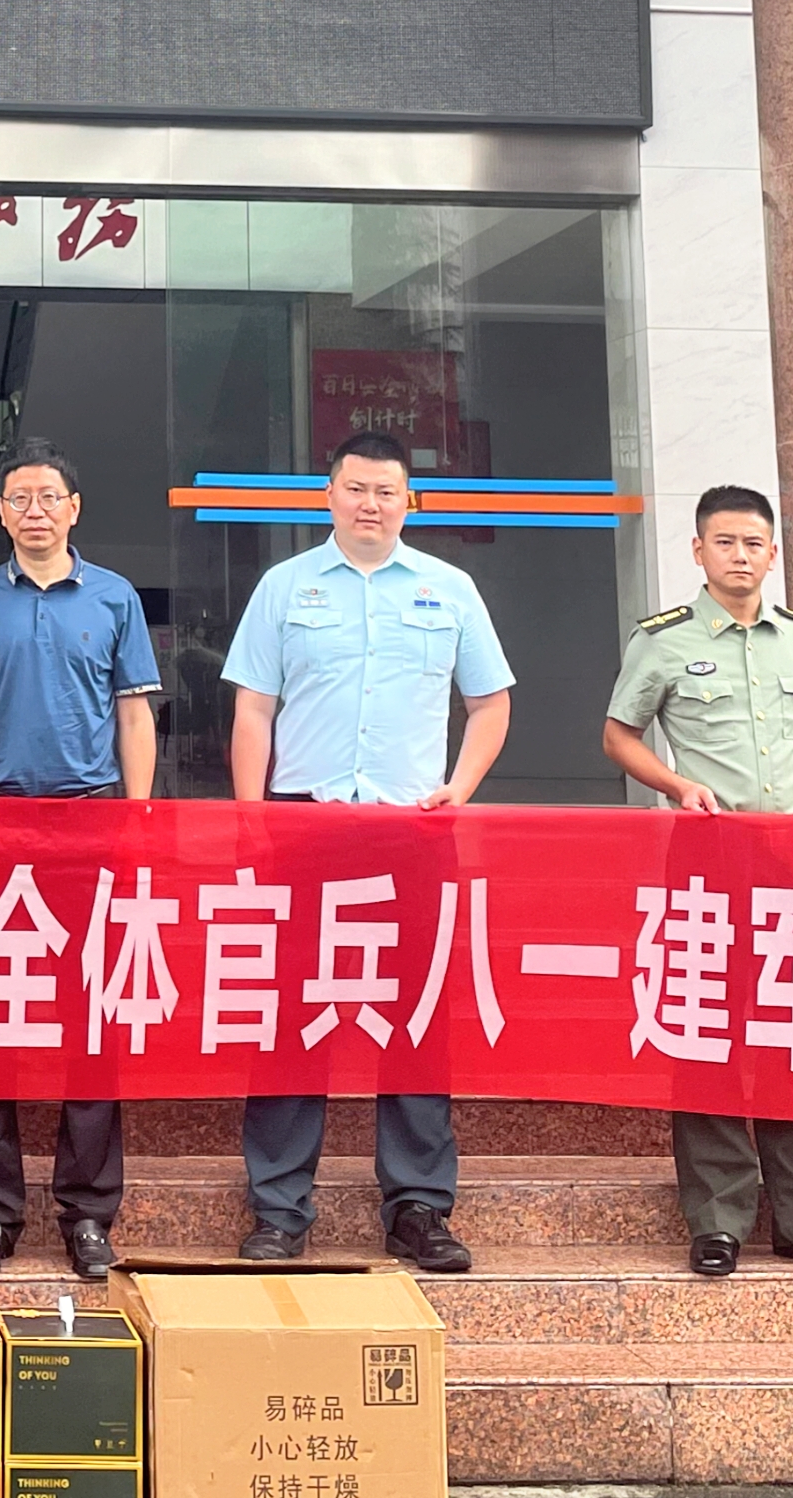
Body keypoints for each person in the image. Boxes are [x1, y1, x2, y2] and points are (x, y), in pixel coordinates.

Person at [220, 429, 509, 1274]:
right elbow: (252, 708)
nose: (370, 504)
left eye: (386, 491)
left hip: (410, 827)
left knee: (415, 1013)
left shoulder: (449, 589)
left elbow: (489, 703)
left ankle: (418, 1205)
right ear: (329, 494)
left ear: (407, 500)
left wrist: (459, 787)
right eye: (355, 488)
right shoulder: (284, 586)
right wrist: (251, 815)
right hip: (302, 824)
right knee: (288, 1014)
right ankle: (279, 1206)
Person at [599, 485, 793, 1279]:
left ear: (771, 552)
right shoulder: (662, 640)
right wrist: (675, 783)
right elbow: (618, 734)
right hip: (707, 851)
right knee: (706, 1027)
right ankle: (717, 1217)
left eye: (753, 543)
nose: (740, 555)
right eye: (724, 542)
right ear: (697, 551)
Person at [0, 437, 160, 1282]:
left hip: (89, 818)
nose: (34, 510)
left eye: (48, 497)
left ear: (74, 508)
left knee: (90, 1019)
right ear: (1, 512)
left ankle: (88, 1210)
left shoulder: (113, 596)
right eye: (19, 497)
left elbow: (133, 713)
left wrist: (136, 817)